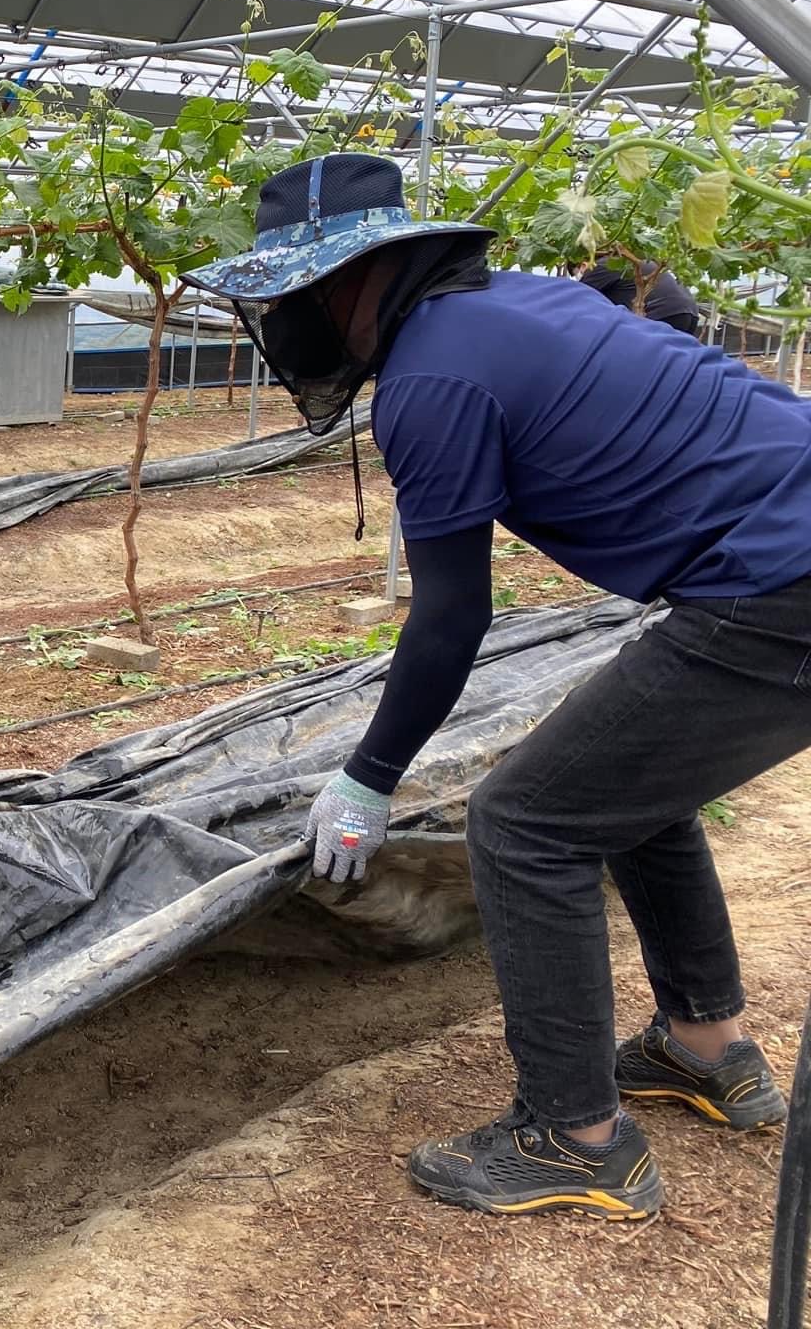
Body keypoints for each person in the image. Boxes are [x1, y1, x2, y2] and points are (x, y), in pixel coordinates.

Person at [185, 153, 811, 1222]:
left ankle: (575, 1138)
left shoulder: (428, 382)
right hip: (777, 563)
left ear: (342, 282)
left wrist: (368, 776)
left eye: (291, 298)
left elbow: (449, 615)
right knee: (621, 788)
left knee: (523, 821)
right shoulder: (518, 305)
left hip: (773, 587)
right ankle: (703, 1048)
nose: (287, 322)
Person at [576, 254, 704, 339]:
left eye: (576, 275)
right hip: (690, 313)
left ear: (583, 266)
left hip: (660, 313)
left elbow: (577, 302)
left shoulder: (600, 265)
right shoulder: (631, 260)